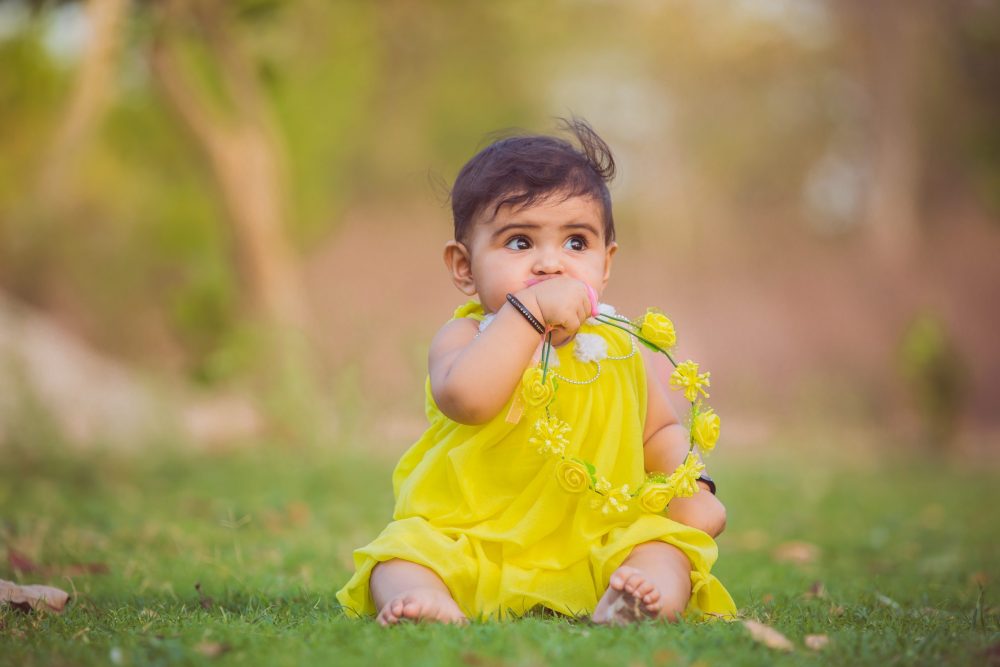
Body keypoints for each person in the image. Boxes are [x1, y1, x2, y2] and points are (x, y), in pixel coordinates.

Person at [336, 119, 737, 625]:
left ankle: (635, 599)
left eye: (576, 243)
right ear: (464, 267)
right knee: (398, 557)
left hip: (597, 539)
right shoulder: (464, 339)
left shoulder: (617, 346)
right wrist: (527, 314)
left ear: (606, 264)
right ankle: (428, 601)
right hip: (473, 538)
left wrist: (694, 487)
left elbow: (658, 429)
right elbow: (469, 399)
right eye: (520, 243)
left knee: (667, 549)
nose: (551, 264)